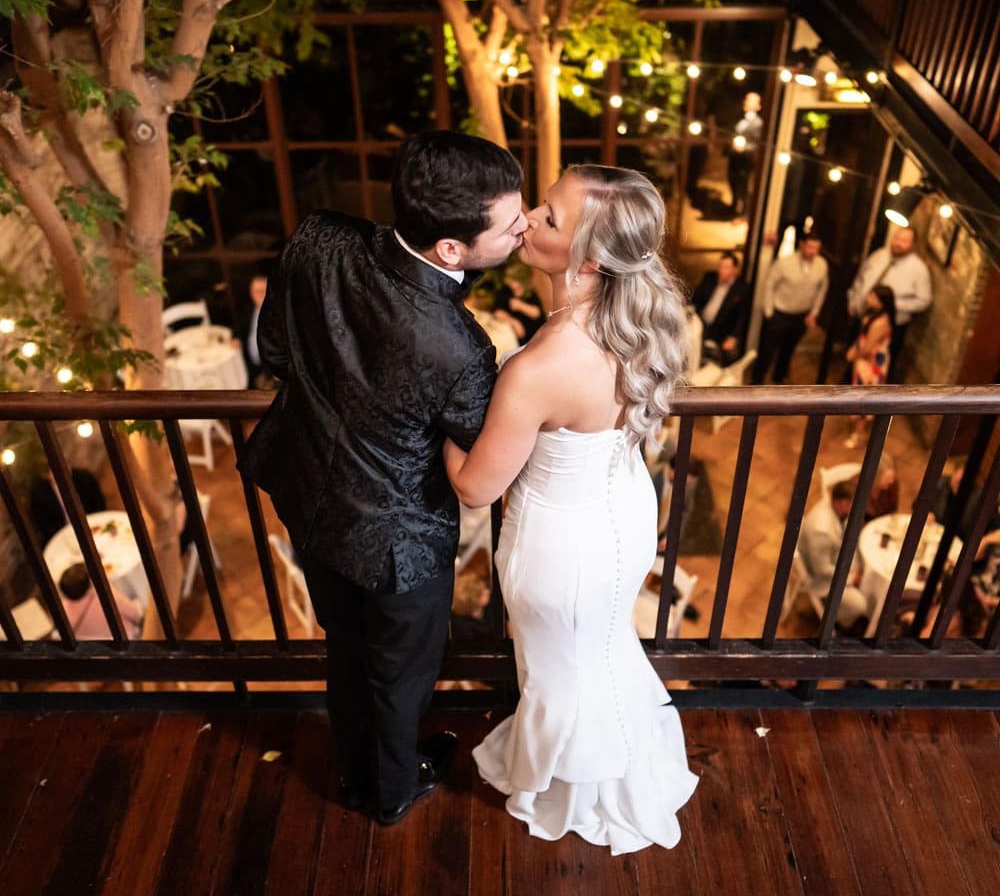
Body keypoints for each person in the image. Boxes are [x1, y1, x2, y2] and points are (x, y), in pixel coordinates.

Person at [238, 130, 527, 826]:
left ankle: (354, 772)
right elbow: (475, 452)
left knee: (345, 647)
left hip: (307, 497)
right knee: (400, 676)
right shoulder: (462, 346)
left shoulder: (318, 238)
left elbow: (275, 349)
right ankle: (394, 790)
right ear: (452, 250)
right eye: (510, 222)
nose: (525, 225)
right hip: (400, 541)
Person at [443, 165, 698, 855]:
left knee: (561, 669)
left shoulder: (541, 368)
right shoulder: (629, 325)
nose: (526, 220)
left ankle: (574, 786)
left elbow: (474, 488)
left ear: (588, 257)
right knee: (602, 650)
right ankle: (606, 767)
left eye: (548, 218)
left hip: (561, 544)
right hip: (620, 513)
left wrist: (435, 415)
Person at [845, 226, 931, 382]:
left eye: (904, 241)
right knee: (854, 363)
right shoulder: (879, 255)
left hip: (889, 326)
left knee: (871, 370)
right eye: (897, 238)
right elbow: (861, 278)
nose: (898, 243)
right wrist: (853, 299)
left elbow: (924, 301)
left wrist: (890, 305)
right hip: (865, 317)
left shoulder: (919, 270)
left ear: (912, 245)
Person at [751, 236, 829, 384]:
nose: (813, 251)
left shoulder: (822, 265)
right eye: (810, 247)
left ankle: (779, 377)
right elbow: (770, 285)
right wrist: (769, 312)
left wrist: (814, 312)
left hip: (801, 315)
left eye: (816, 248)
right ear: (802, 245)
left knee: (788, 350)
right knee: (767, 352)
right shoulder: (784, 263)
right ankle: (756, 382)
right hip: (779, 314)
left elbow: (822, 289)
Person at [797, 480, 869, 634]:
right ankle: (844, 623)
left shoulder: (833, 507)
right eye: (853, 503)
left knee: (866, 564)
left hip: (834, 557)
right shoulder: (821, 531)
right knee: (860, 605)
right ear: (842, 503)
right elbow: (821, 570)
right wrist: (850, 578)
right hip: (821, 580)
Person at [844, 284, 895, 447]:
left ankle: (858, 434)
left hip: (871, 363)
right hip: (865, 359)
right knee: (859, 394)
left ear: (882, 303)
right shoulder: (873, 315)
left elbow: (868, 347)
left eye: (873, 297)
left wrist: (854, 354)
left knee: (864, 399)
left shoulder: (880, 323)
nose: (869, 299)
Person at [689, 252, 750, 365]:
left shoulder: (742, 289)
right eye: (720, 266)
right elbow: (695, 299)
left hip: (721, 330)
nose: (721, 270)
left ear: (735, 270)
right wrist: (690, 313)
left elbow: (742, 317)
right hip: (701, 322)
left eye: (726, 267)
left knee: (730, 353)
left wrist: (733, 338)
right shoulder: (710, 278)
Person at [58, 562, 144, 639]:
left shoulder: (63, 611)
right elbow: (135, 614)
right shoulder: (105, 596)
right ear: (89, 583)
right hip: (126, 637)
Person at [29, 466, 106, 546]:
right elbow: (43, 523)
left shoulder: (84, 478)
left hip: (91, 526)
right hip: (62, 535)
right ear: (47, 475)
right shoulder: (40, 493)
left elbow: (99, 503)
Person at [233, 273, 275, 390]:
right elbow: (238, 325)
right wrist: (235, 337)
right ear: (251, 292)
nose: (260, 295)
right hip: (248, 361)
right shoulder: (247, 307)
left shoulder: (279, 313)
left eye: (263, 291)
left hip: (268, 367)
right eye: (256, 291)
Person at [492, 258, 545, 346]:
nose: (508, 281)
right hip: (513, 337)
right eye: (507, 278)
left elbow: (537, 313)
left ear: (521, 279)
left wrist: (521, 306)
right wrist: (513, 322)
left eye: (512, 279)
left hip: (533, 338)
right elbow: (497, 312)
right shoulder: (505, 291)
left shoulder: (529, 293)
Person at [727, 91, 763, 219]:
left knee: (743, 184)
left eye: (750, 100)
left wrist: (744, 148)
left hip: (745, 159)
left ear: (758, 106)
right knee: (732, 181)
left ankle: (743, 212)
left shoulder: (758, 123)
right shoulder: (740, 119)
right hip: (735, 156)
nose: (746, 102)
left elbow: (757, 143)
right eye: (746, 99)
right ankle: (734, 207)